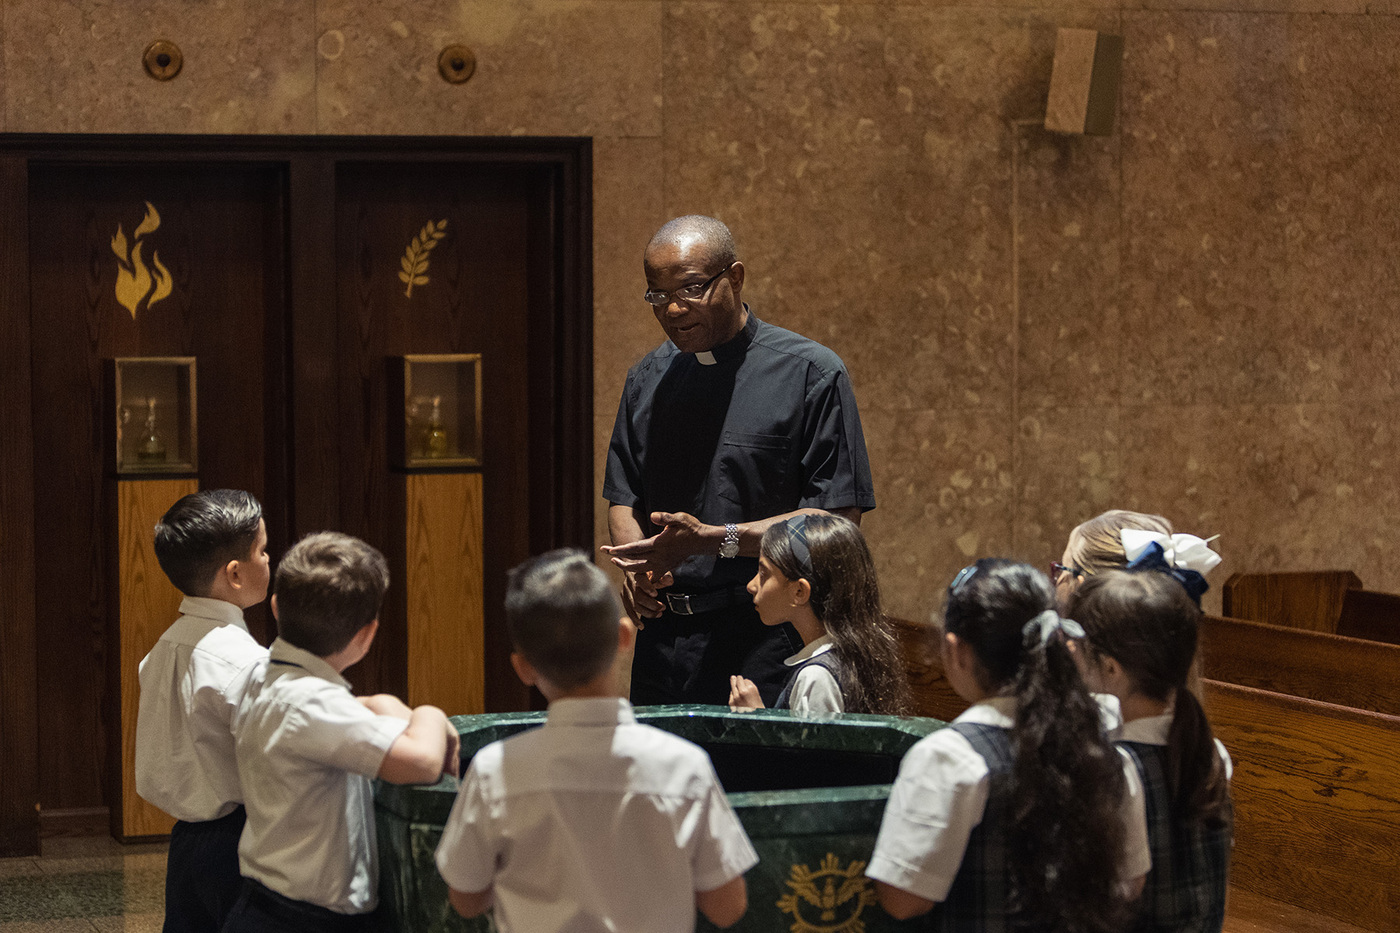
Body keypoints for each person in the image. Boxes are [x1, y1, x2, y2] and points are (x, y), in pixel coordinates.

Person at [602, 215, 876, 706]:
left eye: (690, 288)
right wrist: (639, 567)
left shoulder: (810, 374)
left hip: (766, 636)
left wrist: (714, 542)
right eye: (657, 295)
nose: (673, 309)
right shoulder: (648, 378)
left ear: (735, 277)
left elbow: (836, 522)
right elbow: (624, 497)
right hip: (665, 641)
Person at [436, 549, 757, 932]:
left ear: (522, 668)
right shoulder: (684, 766)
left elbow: (466, 899)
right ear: (624, 637)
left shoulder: (495, 771)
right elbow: (727, 906)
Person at [866, 560, 1150, 932]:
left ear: (957, 651)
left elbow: (903, 900)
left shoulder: (950, 758)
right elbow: (1130, 883)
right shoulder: (1111, 753)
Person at [224, 532, 458, 933]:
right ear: (367, 634)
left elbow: (353, 710)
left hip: (269, 905)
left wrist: (381, 701)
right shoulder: (313, 704)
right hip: (304, 920)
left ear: (277, 607)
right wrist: (431, 713)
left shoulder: (268, 677)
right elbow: (422, 762)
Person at [136, 489, 272, 933]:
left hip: (186, 841)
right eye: (263, 551)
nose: (270, 560)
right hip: (237, 839)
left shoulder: (162, 648)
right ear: (235, 574)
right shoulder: (243, 660)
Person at [1069, 570, 1233, 933]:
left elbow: (1117, 892)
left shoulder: (1118, 768)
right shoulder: (1211, 753)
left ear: (1110, 667)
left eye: (1078, 651)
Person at [727, 512, 910, 716]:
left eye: (764, 574)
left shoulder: (816, 678)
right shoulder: (851, 653)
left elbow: (815, 748)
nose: (751, 586)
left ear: (799, 591)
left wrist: (756, 718)